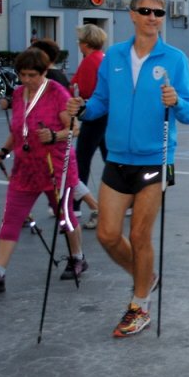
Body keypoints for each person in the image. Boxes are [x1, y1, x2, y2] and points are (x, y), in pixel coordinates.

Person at [66, 0, 189, 337]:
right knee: (107, 235)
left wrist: (176, 101)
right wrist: (82, 108)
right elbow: (100, 102)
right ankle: (145, 276)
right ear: (133, 15)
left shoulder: (175, 59)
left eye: (159, 12)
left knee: (139, 234)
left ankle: (139, 305)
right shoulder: (114, 56)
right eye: (146, 11)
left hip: (156, 158)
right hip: (118, 158)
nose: (153, 17)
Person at [0, 48, 88, 293]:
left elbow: (74, 129)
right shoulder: (18, 94)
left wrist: (54, 135)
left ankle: (78, 257)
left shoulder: (57, 93)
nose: (26, 80)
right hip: (25, 169)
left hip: (55, 167)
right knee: (11, 218)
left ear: (44, 72)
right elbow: (18, 130)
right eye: (22, 75)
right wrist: (4, 151)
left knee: (65, 216)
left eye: (32, 75)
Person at [71, 24, 109, 228]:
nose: (78, 44)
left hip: (93, 114)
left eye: (79, 41)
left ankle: (76, 204)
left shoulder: (89, 62)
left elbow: (83, 89)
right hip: (107, 115)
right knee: (109, 157)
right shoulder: (103, 59)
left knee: (81, 160)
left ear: (85, 43)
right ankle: (127, 200)